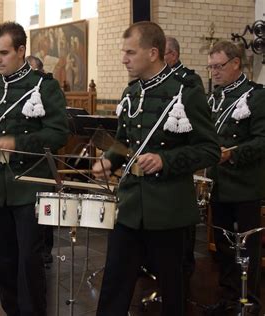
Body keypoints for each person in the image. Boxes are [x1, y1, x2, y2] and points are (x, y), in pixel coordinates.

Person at [92, 21, 220, 316]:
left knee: (172, 290)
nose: (124, 59)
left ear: (152, 53)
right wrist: (111, 158)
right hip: (131, 205)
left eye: (130, 52)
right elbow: (124, 141)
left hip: (169, 210)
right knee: (114, 283)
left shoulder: (185, 90)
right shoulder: (132, 91)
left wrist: (166, 160)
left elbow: (209, 149)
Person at [0, 21, 69, 316]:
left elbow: (59, 133)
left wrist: (18, 141)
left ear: (21, 50)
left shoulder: (43, 86)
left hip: (31, 185)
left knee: (29, 262)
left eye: (4, 53)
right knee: (4, 262)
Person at [206, 41, 265, 315]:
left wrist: (231, 153)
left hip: (245, 186)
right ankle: (228, 296)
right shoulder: (214, 97)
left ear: (236, 63)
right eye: (211, 67)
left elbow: (262, 140)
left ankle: (248, 300)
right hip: (218, 184)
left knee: (246, 248)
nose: (214, 73)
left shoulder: (256, 96)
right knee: (223, 247)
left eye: (218, 66)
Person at [164, 35, 206, 292]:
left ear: (174, 55)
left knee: (181, 236)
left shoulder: (188, 82)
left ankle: (185, 272)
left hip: (178, 165)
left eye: (166, 54)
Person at [26, 55, 53, 266]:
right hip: (21, 165)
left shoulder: (46, 88)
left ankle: (46, 250)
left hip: (41, 161)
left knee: (45, 212)